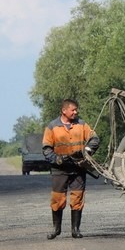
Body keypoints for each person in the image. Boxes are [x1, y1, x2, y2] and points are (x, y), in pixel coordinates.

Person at [42, 99, 100, 240]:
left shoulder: (82, 124)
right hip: (59, 169)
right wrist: (57, 159)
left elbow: (95, 139)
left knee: (77, 198)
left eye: (76, 110)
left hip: (78, 168)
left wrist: (86, 151)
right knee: (57, 199)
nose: (76, 112)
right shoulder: (52, 127)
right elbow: (46, 149)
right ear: (64, 111)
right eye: (73, 110)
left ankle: (75, 229)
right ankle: (56, 229)